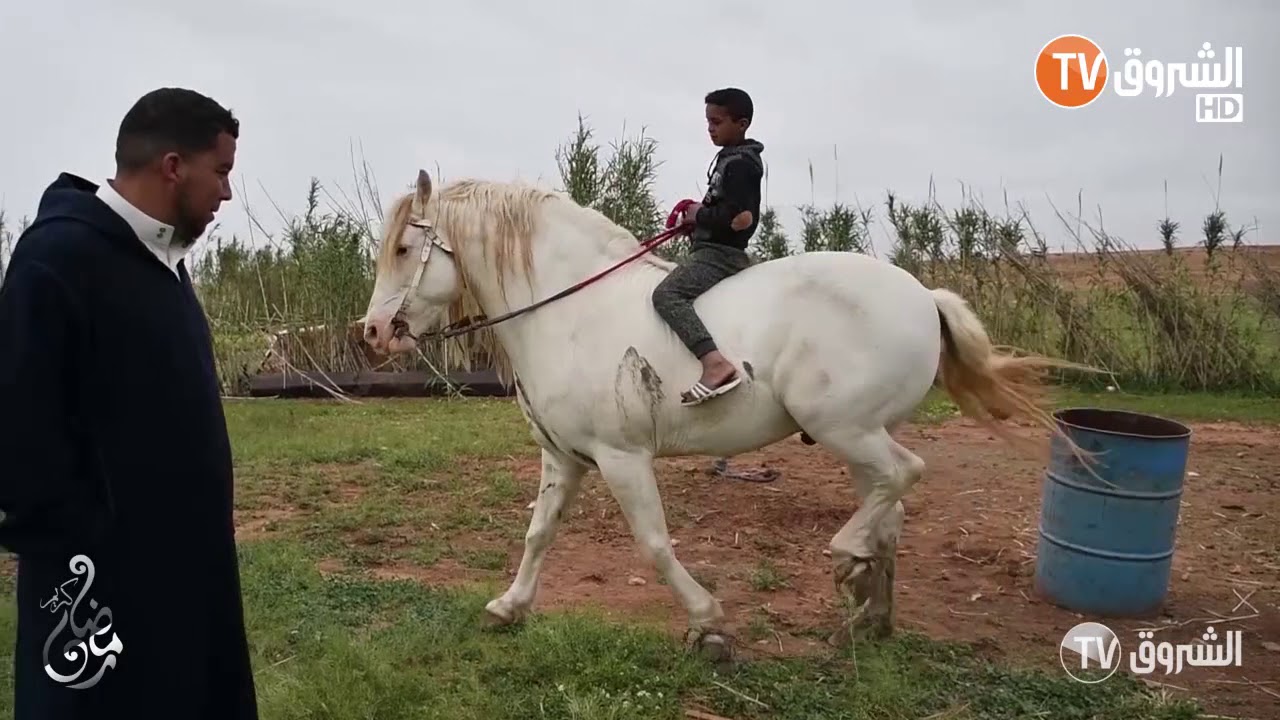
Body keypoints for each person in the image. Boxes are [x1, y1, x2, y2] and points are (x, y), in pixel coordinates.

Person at [0, 88, 258, 719]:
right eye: (221, 171)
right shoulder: (57, 260)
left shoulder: (163, 260)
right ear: (173, 166)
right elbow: (22, 443)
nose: (227, 191)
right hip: (100, 589)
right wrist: (96, 545)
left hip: (186, 576)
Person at [652, 87, 765, 406]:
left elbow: (740, 218)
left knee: (667, 295)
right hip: (710, 250)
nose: (710, 128)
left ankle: (715, 364)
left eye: (717, 122)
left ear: (741, 123)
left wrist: (697, 213)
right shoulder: (729, 160)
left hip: (720, 256)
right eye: (708, 122)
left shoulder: (741, 165)